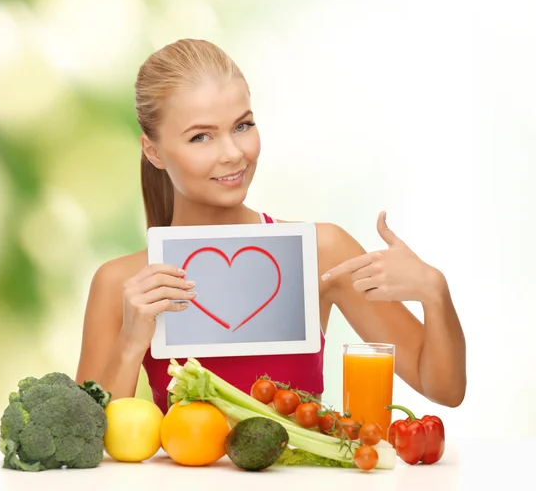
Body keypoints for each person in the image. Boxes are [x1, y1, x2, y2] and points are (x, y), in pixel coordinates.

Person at [75, 39, 466, 414]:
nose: (232, 154)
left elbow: (444, 390)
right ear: (153, 151)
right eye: (201, 137)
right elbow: (83, 440)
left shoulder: (322, 252)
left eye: (242, 126)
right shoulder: (123, 284)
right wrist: (130, 342)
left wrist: (434, 291)